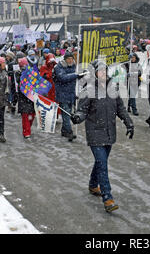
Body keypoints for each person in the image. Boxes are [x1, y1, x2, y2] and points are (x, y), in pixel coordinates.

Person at [71, 60, 134, 213]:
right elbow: (82, 110)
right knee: (103, 165)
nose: (103, 74)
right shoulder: (89, 90)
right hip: (94, 132)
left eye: (105, 71)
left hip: (109, 132)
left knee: (101, 162)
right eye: (100, 72)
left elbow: (120, 108)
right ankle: (108, 198)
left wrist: (129, 123)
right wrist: (78, 117)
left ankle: (93, 185)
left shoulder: (113, 88)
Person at [54, 51, 82, 142]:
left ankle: (64, 131)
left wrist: (81, 74)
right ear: (65, 59)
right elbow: (63, 78)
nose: (70, 60)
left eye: (71, 59)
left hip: (71, 94)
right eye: (68, 59)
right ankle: (69, 132)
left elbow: (76, 77)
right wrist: (75, 75)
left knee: (68, 112)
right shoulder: (59, 67)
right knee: (66, 113)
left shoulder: (74, 66)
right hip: (62, 94)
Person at [16, 58, 36, 139]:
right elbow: (18, 82)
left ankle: (28, 129)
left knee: (31, 115)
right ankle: (26, 132)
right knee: (25, 116)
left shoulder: (32, 72)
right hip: (23, 97)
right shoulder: (18, 73)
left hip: (31, 97)